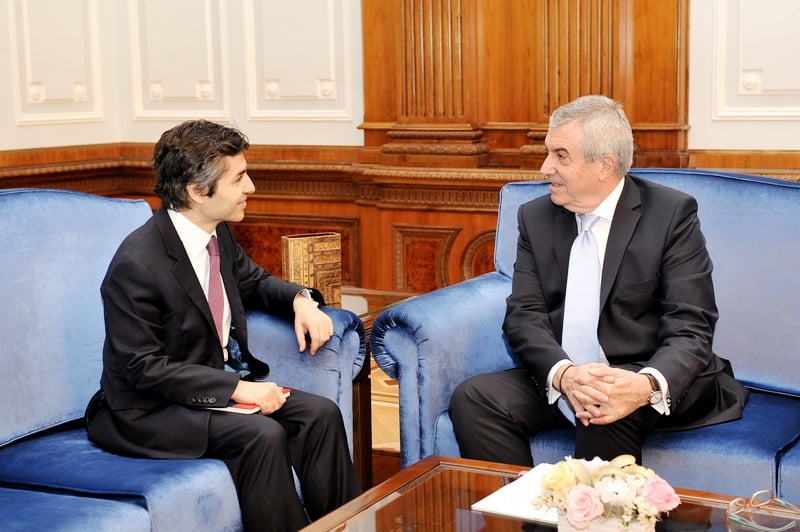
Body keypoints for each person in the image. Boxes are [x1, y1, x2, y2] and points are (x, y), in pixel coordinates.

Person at [86, 119, 361, 531]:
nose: (251, 187)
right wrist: (236, 388)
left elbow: (254, 282)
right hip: (148, 411)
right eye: (238, 178)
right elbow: (141, 367)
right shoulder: (137, 265)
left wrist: (300, 300)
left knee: (319, 414)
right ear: (198, 191)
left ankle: (347, 526)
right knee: (261, 435)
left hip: (203, 393)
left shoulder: (217, 235)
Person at [449, 95, 748, 467]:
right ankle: (525, 505)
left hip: (643, 372)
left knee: (603, 403)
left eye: (561, 156)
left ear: (604, 165)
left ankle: (595, 507)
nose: (545, 168)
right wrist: (564, 374)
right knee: (474, 398)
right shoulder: (536, 217)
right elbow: (524, 316)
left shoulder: (670, 214)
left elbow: (691, 325)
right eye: (548, 153)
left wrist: (644, 385)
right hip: (569, 372)